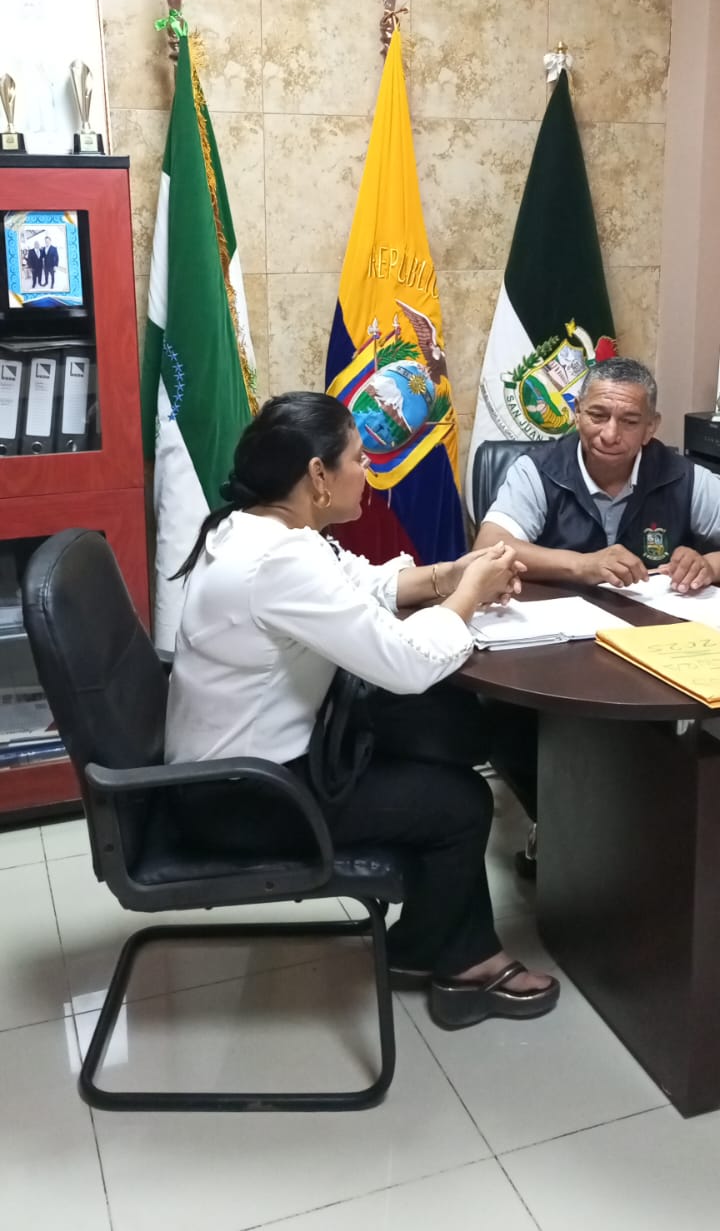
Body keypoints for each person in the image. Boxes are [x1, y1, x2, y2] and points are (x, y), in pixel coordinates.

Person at [166, 391, 559, 1032]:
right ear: (318, 476)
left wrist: (453, 575)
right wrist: (468, 597)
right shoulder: (277, 560)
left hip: (241, 770)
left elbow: (361, 583)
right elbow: (404, 663)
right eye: (357, 457)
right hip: (244, 798)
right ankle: (462, 963)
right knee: (459, 801)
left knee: (444, 737)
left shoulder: (260, 528)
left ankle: (434, 944)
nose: (368, 467)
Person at [475, 356, 720, 590]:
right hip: (556, 613)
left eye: (630, 422)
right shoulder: (539, 470)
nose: (610, 435)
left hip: (651, 617)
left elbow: (708, 566)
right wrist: (582, 565)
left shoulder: (683, 477)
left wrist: (709, 566)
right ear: (577, 413)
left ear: (650, 427)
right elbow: (487, 549)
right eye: (598, 416)